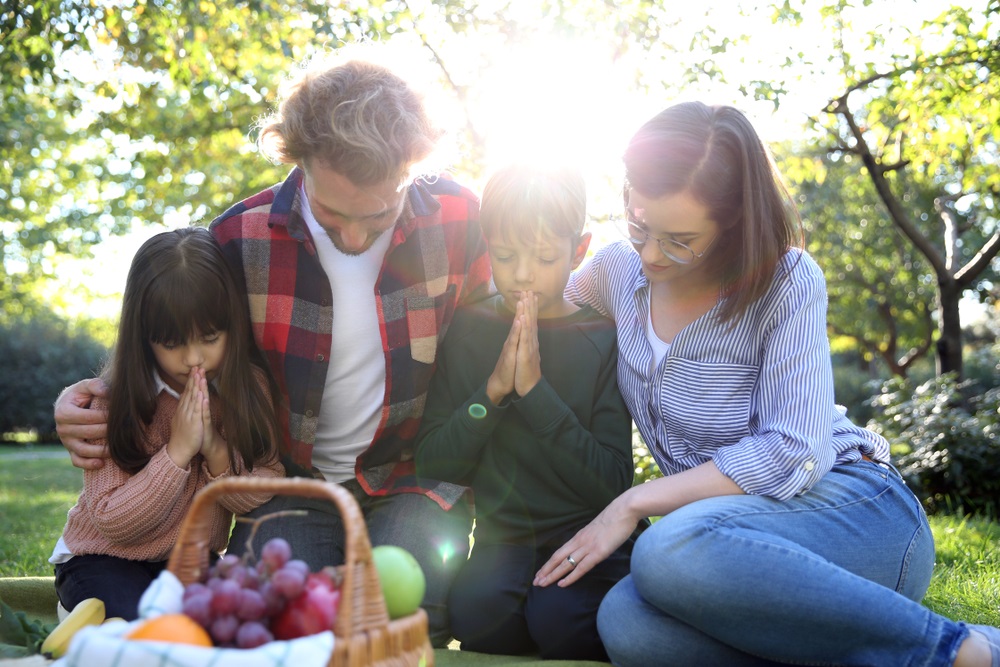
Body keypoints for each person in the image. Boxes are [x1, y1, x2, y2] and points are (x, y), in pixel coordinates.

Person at [532, 101, 1000, 667]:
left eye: (680, 239)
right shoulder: (614, 272)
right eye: (640, 226)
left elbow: (793, 451)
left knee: (666, 546)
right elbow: (546, 310)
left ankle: (955, 651)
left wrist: (633, 503)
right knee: (627, 624)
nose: (653, 254)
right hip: (731, 554)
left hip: (852, 512)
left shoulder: (786, 281)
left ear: (732, 222)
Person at [52, 47, 491, 645]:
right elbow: (178, 334)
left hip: (411, 477)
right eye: (335, 214)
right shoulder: (238, 239)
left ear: (412, 167)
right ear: (297, 159)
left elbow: (511, 317)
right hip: (287, 482)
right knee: (293, 629)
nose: (358, 235)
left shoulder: (461, 219)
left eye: (380, 212)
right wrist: (94, 392)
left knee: (399, 622)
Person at [414, 163, 636, 661]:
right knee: (477, 614)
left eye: (544, 257)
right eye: (506, 255)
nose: (522, 275)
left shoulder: (600, 338)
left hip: (588, 535)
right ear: (486, 243)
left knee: (561, 621)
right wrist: (491, 394)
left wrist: (534, 392)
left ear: (579, 251)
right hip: (503, 537)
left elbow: (612, 481)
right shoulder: (468, 328)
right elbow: (433, 463)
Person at [50, 227, 284, 621]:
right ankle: (85, 617)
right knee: (144, 627)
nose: (194, 358)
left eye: (210, 337)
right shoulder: (113, 401)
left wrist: (214, 449)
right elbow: (114, 524)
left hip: (191, 561)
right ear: (145, 338)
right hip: (102, 559)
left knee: (224, 622)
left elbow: (265, 487)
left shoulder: (249, 388)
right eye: (173, 344)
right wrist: (176, 452)